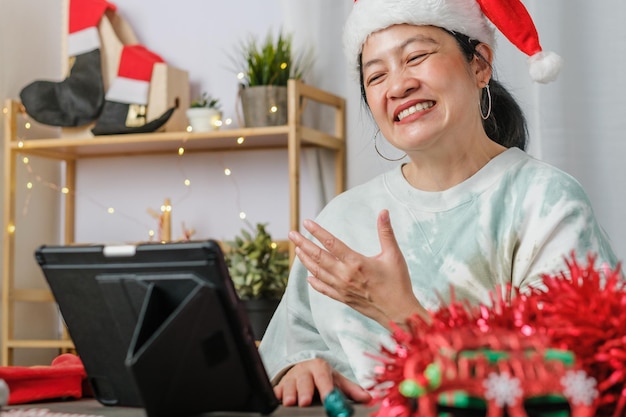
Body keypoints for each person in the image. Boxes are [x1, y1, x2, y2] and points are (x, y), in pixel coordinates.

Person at [258, 0, 620, 408]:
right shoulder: (341, 218)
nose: (398, 86)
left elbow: (569, 384)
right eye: (376, 75)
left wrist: (401, 312)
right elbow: (288, 345)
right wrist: (298, 367)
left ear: (480, 64)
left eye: (416, 56)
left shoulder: (545, 202)